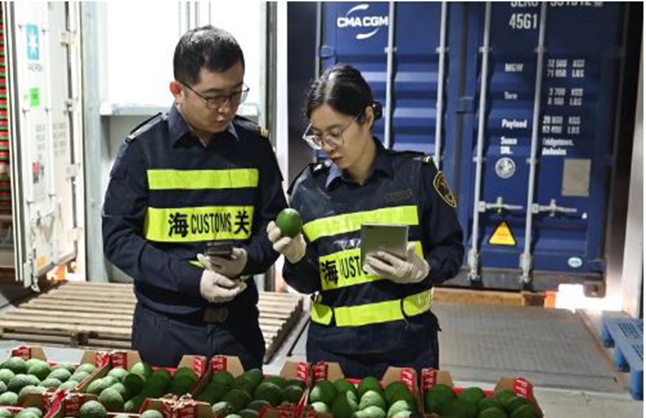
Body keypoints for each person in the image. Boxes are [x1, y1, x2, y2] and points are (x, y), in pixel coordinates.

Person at [102, 26, 287, 370]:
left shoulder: (254, 147)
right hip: (165, 330)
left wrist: (247, 259)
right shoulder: (143, 150)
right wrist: (193, 281)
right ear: (178, 90)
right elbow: (118, 241)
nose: (226, 108)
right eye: (213, 97)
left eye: (236, 93)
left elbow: (274, 227)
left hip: (238, 328)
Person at [268, 64, 464, 379]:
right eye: (318, 136)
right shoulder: (307, 191)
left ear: (367, 118)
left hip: (407, 349)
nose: (328, 145)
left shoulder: (417, 177)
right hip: (333, 355)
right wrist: (296, 258)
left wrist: (424, 268)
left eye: (336, 132)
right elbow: (307, 282)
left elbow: (452, 250)